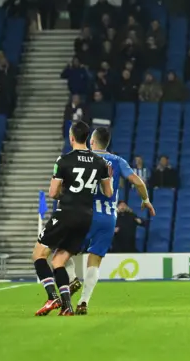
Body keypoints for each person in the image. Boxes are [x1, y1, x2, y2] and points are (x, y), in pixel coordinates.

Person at [32, 121, 112, 316]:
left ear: (71, 137)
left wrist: (66, 195)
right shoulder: (101, 163)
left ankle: (52, 298)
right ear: (88, 139)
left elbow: (52, 193)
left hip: (67, 213)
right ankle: (67, 306)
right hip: (86, 218)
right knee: (59, 261)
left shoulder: (63, 160)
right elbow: (108, 193)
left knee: (39, 255)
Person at [76, 127, 156, 315]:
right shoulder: (118, 161)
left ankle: (70, 283)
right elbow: (138, 182)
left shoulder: (83, 157)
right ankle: (84, 301)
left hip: (84, 214)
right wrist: (146, 200)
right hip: (107, 218)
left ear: (92, 141)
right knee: (94, 260)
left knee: (65, 253)